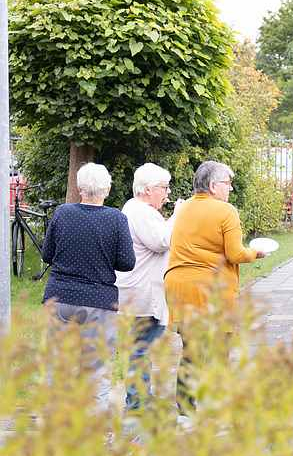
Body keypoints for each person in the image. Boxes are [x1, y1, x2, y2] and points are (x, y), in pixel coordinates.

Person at [165, 161, 264, 412]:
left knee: (191, 347)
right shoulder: (225, 211)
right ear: (212, 186)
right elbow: (234, 253)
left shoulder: (184, 208)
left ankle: (186, 405)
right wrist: (256, 253)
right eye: (227, 183)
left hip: (178, 284)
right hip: (210, 287)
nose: (230, 188)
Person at [41, 163, 135, 409]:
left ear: (79, 187)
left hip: (60, 297)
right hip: (99, 301)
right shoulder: (116, 219)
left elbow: (46, 254)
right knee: (96, 368)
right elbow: (127, 262)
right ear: (107, 189)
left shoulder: (62, 213)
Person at [115, 163, 179, 411]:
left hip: (137, 290)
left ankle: (140, 398)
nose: (167, 193)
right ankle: (137, 402)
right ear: (148, 189)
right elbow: (161, 241)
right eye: (164, 188)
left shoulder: (137, 210)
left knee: (140, 347)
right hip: (141, 293)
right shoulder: (140, 211)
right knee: (141, 348)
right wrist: (177, 215)